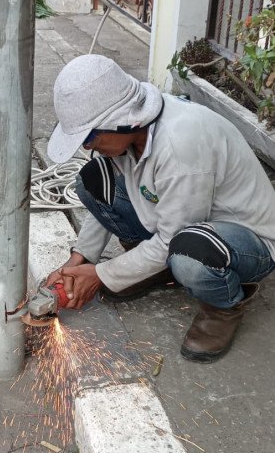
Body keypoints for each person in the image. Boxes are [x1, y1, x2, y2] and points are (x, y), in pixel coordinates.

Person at [45, 54, 275, 362]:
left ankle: (223, 306)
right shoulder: (130, 133)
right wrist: (78, 261)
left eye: (89, 136)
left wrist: (100, 274)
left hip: (247, 242)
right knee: (93, 180)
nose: (87, 146)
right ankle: (157, 267)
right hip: (186, 223)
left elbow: (171, 238)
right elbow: (107, 209)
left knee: (188, 251)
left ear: (122, 118)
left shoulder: (182, 147)